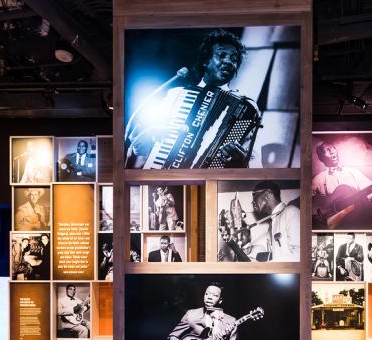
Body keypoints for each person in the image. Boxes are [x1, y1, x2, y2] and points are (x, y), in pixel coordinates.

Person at [125, 29, 260, 169]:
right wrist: (150, 135)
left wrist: (241, 160)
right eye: (222, 55)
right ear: (205, 61)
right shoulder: (175, 95)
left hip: (212, 184)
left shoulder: (247, 109)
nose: (228, 61)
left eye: (234, 59)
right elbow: (139, 149)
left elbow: (255, 163)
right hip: (166, 178)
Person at [249, 181, 300, 262]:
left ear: (268, 195)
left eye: (255, 195)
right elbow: (261, 245)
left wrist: (270, 265)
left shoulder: (291, 212)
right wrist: (248, 251)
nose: (253, 202)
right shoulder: (273, 222)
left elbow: (299, 254)